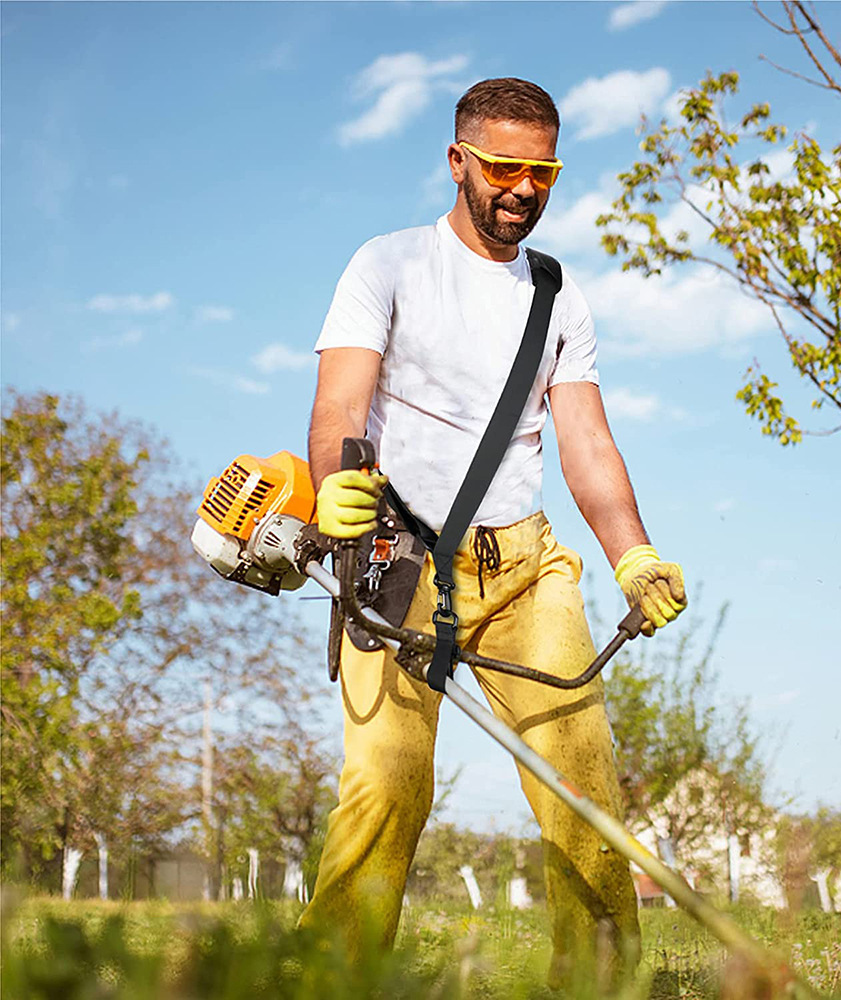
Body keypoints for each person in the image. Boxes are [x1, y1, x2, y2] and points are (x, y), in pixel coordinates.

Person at [299, 77, 687, 990]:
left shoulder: (558, 296)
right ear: (459, 161)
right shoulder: (386, 265)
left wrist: (632, 553)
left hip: (523, 567)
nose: (522, 188)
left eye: (541, 170)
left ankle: (598, 985)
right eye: (503, 166)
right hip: (394, 557)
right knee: (389, 785)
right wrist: (334, 491)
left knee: (581, 782)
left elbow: (586, 442)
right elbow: (338, 406)